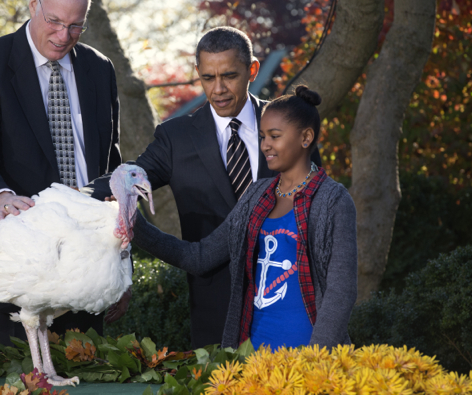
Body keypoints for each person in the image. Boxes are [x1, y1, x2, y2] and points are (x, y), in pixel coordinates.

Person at [85, 27, 321, 348]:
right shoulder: (175, 138)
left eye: (229, 76)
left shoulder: (290, 126)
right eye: (208, 78)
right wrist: (70, 197)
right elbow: (126, 180)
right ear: (197, 73)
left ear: (252, 70)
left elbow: (316, 216)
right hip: (215, 314)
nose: (219, 89)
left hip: (290, 305)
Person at [0, 0, 128, 345]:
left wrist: (121, 265)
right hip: (14, 271)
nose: (63, 36)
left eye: (76, 26)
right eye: (54, 21)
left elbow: (111, 172)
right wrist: (0, 197)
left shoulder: (99, 69)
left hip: (84, 270)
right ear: (33, 3)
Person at [131, 86, 357, 350]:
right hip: (251, 360)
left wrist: (316, 361)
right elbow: (200, 257)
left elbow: (341, 293)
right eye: (262, 137)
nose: (265, 146)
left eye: (275, 136)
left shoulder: (333, 200)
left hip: (308, 362)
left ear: (306, 137)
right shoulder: (256, 196)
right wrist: (133, 223)